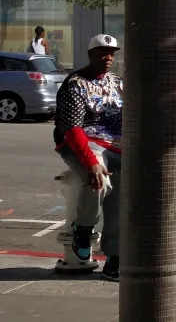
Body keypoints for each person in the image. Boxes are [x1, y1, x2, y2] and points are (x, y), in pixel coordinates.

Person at [53, 34, 123, 281]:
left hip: (117, 145)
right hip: (84, 143)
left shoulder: (117, 82)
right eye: (103, 52)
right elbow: (73, 129)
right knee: (99, 180)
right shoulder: (75, 83)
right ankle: (83, 230)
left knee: (123, 198)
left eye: (112, 53)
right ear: (90, 54)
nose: (108, 58)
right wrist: (90, 162)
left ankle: (115, 258)